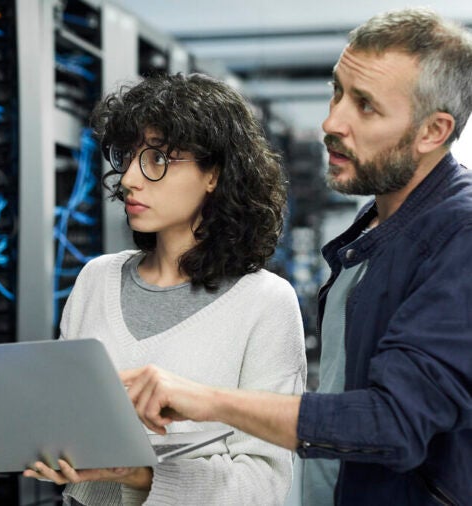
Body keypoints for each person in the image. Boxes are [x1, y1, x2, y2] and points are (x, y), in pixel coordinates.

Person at [121, 7, 472, 506]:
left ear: (433, 131)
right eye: (337, 91)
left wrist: (206, 400)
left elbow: (393, 423)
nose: (332, 121)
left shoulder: (459, 237)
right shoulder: (379, 225)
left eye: (365, 106)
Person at [21, 73, 307, 505]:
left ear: (214, 174)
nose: (130, 179)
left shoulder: (265, 302)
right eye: (128, 157)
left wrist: (143, 478)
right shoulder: (97, 278)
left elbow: (264, 482)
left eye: (156, 159)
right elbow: (66, 422)